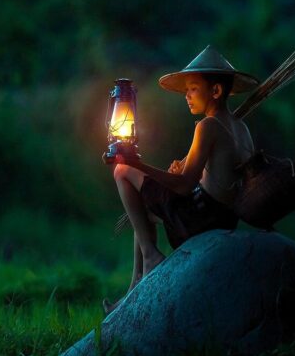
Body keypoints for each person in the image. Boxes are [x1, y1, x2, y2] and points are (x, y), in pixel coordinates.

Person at [104, 46, 258, 315]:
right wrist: (178, 168)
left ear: (216, 91)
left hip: (201, 218)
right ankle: (133, 290)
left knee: (121, 171)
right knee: (143, 211)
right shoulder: (240, 128)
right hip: (223, 217)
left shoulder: (207, 126)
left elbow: (186, 185)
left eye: (193, 89)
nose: (187, 96)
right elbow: (210, 174)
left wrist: (136, 164)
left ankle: (152, 258)